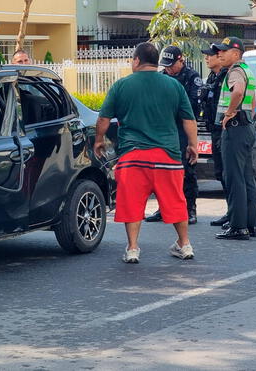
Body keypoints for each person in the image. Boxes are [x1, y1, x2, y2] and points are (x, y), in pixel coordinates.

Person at [94, 42, 198, 264]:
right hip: (168, 156)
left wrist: (98, 141)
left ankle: (132, 248)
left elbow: (103, 119)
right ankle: (185, 244)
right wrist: (193, 145)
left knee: (131, 203)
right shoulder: (173, 85)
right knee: (176, 201)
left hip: (133, 156)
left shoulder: (121, 85)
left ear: (137, 60)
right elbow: (188, 119)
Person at [145, 46, 201, 225]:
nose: (168, 69)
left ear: (181, 60)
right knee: (161, 169)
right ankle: (163, 208)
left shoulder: (192, 77)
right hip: (163, 129)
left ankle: (190, 208)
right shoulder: (161, 77)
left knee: (186, 170)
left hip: (183, 128)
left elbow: (193, 108)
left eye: (171, 65)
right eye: (166, 65)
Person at [212, 37, 256, 240]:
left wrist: (230, 113)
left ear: (236, 53)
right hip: (246, 126)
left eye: (224, 50)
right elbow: (254, 102)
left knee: (234, 178)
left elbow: (238, 91)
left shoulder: (235, 71)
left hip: (235, 128)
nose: (220, 54)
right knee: (247, 177)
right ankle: (251, 225)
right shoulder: (247, 70)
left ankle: (238, 227)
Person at [200, 46, 230, 226]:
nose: (207, 59)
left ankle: (234, 213)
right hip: (213, 129)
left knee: (228, 173)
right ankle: (231, 211)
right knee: (220, 172)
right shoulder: (212, 77)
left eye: (210, 56)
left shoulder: (227, 76)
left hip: (225, 129)